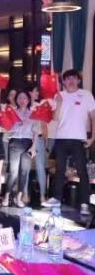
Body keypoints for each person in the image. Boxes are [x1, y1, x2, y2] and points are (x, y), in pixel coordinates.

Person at [43, 70, 95, 215]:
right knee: (59, 170)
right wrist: (59, 103)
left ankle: (84, 203)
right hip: (61, 138)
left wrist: (93, 137)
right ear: (63, 82)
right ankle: (56, 199)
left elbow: (93, 118)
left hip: (79, 139)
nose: (71, 81)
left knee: (82, 171)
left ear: (78, 81)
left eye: (74, 78)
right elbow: (55, 118)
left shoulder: (86, 95)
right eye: (68, 79)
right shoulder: (59, 95)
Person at [2, 89, 37, 208]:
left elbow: (35, 132)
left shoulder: (33, 113)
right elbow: (6, 129)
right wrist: (15, 127)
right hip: (15, 142)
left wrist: (33, 147)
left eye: (24, 98)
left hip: (28, 143)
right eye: (19, 98)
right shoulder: (12, 112)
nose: (22, 100)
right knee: (13, 171)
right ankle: (6, 195)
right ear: (16, 100)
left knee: (24, 171)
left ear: (28, 100)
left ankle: (19, 197)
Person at [26, 83, 48, 205]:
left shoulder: (40, 106)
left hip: (38, 139)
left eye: (38, 91)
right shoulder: (24, 107)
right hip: (26, 138)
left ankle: (42, 195)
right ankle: (25, 193)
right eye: (35, 91)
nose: (37, 93)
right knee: (25, 167)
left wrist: (46, 143)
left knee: (40, 167)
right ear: (30, 92)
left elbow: (44, 126)